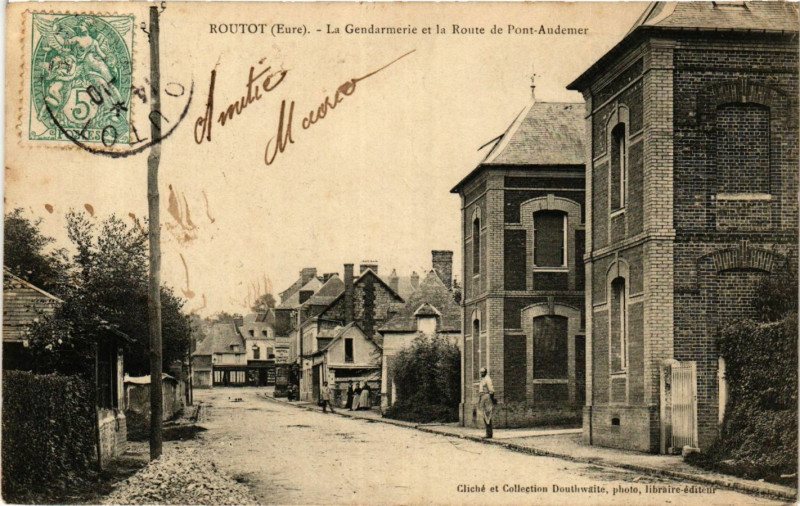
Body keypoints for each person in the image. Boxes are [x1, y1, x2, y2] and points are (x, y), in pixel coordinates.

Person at [478, 367, 495, 438]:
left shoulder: (488, 379)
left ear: (486, 372)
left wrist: (490, 400)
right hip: (483, 397)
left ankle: (489, 433)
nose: (481, 373)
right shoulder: (483, 379)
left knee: (488, 415)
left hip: (487, 396)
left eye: (483, 372)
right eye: (481, 372)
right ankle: (487, 432)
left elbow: (491, 390)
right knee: (484, 415)